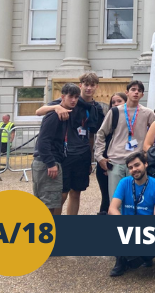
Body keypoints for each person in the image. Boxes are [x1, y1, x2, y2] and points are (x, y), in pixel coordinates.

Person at [36, 72, 107, 215]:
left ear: (96, 87)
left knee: (76, 192)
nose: (88, 88)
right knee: (61, 194)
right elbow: (39, 111)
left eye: (92, 85)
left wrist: (91, 158)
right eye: (86, 85)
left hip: (83, 155)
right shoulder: (70, 100)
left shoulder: (96, 108)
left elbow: (93, 134)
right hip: (66, 154)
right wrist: (55, 107)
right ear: (81, 85)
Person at [108, 151, 155, 277]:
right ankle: (121, 260)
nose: (134, 169)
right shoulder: (124, 182)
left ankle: (142, 256)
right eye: (130, 167)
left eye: (137, 165)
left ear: (146, 164)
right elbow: (112, 209)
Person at [95, 80, 155, 199]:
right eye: (133, 89)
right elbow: (101, 133)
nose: (136, 93)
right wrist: (99, 156)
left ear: (142, 95)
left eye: (139, 91)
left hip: (137, 160)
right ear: (127, 92)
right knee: (116, 198)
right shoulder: (115, 111)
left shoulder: (148, 113)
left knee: (135, 199)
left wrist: (148, 153)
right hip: (116, 160)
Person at [31, 83, 80, 215]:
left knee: (52, 203)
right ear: (63, 97)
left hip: (54, 160)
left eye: (76, 97)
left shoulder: (66, 112)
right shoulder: (54, 114)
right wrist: (50, 163)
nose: (74, 100)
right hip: (46, 162)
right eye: (71, 97)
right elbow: (43, 141)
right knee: (47, 204)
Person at [97, 92, 127, 215]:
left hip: (124, 161)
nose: (115, 104)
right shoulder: (110, 118)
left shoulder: (132, 118)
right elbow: (101, 137)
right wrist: (101, 159)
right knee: (108, 197)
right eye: (113, 102)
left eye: (119, 101)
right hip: (107, 162)